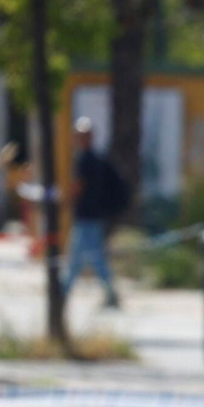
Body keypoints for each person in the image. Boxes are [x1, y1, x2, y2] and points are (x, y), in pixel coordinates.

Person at [62, 117, 127, 309]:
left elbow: (79, 187)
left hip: (86, 217)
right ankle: (108, 294)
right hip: (94, 216)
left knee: (81, 259)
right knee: (92, 259)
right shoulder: (97, 159)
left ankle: (63, 292)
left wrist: (66, 201)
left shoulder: (85, 160)